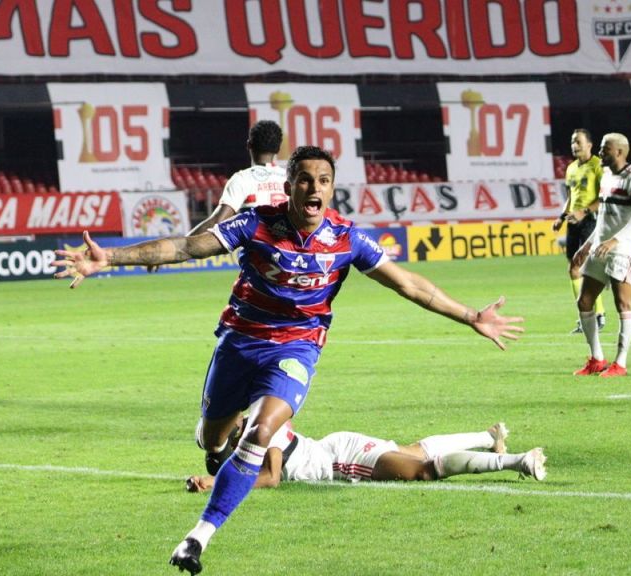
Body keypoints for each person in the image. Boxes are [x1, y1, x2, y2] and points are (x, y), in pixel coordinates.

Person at [53, 146, 525, 575]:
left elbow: (409, 284)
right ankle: (216, 446)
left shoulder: (346, 239)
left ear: (331, 189)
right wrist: (109, 258)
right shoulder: (255, 223)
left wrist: (471, 316)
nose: (314, 187)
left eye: (323, 180)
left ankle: (197, 538)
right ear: (289, 185)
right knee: (213, 440)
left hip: (296, 348)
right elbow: (184, 247)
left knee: (262, 432)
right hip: (239, 343)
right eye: (304, 179)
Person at [184, 418, 545, 493]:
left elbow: (271, 477)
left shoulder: (260, 428)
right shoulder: (258, 420)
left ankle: (518, 461)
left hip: (340, 460)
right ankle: (488, 436)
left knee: (420, 470)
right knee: (414, 451)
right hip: (336, 447)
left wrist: (216, 483)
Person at [572, 133, 631, 378]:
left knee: (622, 304)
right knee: (584, 301)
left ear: (619, 152)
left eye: (605, 149)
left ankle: (621, 363)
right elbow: (603, 219)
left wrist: (616, 240)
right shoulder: (605, 175)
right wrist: (587, 246)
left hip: (623, 249)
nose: (600, 153)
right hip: (600, 247)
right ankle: (597, 359)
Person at [189, 119, 288, 235]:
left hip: (256, 245)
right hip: (287, 245)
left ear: (249, 144)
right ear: (278, 149)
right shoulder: (290, 178)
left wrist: (184, 242)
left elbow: (217, 222)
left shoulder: (242, 179)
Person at [553, 129, 606, 334]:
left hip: (590, 221)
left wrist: (584, 212)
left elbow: (603, 198)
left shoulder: (598, 166)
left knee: (582, 268)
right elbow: (570, 196)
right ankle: (590, 315)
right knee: (574, 269)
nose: (574, 146)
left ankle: (596, 315)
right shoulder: (571, 168)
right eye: (572, 142)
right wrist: (561, 217)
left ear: (589, 145)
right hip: (573, 222)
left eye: (578, 142)